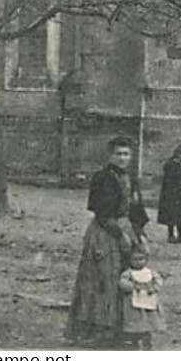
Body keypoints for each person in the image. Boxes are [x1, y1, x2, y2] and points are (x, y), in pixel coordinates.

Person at [66, 135, 149, 347]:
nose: (122, 158)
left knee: (127, 278)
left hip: (126, 228)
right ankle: (96, 329)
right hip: (104, 232)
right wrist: (119, 234)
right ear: (110, 155)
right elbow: (101, 212)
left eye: (126, 154)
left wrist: (140, 235)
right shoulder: (102, 178)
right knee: (102, 279)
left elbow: (137, 210)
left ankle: (123, 328)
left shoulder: (131, 178)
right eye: (118, 154)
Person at [118, 241, 165, 350]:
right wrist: (132, 287)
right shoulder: (128, 273)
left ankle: (147, 341)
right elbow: (122, 283)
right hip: (134, 304)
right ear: (130, 260)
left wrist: (154, 288)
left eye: (141, 259)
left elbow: (158, 280)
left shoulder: (150, 272)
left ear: (146, 260)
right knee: (134, 322)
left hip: (148, 302)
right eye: (135, 259)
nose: (139, 262)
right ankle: (132, 342)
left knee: (148, 321)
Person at [157, 144, 181, 243]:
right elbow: (170, 181)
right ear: (179, 154)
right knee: (172, 214)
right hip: (172, 193)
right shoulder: (171, 165)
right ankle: (171, 235)